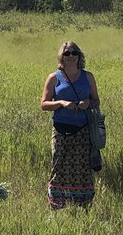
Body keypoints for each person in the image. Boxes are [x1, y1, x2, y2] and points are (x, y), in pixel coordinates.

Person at [40, 41, 98, 209]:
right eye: (67, 53)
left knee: (83, 169)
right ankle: (56, 205)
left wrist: (88, 103)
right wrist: (61, 103)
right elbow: (43, 104)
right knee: (58, 166)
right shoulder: (54, 78)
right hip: (60, 130)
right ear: (61, 57)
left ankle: (83, 205)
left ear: (79, 56)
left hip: (83, 130)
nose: (71, 56)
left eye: (74, 53)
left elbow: (96, 100)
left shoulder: (88, 77)